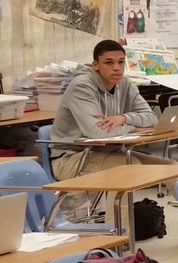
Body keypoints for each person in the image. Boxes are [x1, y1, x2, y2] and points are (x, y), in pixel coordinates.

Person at [50, 39, 167, 180]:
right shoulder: (82, 86)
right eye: (109, 62)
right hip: (72, 158)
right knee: (130, 167)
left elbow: (152, 118)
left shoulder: (125, 84)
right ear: (96, 65)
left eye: (121, 62)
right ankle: (117, 204)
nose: (117, 68)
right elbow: (97, 132)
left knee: (170, 166)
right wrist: (134, 129)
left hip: (111, 152)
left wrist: (123, 118)